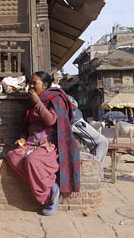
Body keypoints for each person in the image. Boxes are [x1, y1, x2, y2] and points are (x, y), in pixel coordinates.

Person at [6, 71, 80, 216]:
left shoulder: (55, 98)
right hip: (31, 143)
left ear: (45, 85)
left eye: (35, 83)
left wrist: (38, 103)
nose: (31, 86)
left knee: (32, 161)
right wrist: (22, 138)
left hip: (48, 144)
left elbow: (50, 120)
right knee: (12, 157)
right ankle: (51, 190)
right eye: (30, 83)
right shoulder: (31, 103)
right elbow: (26, 127)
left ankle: (50, 198)